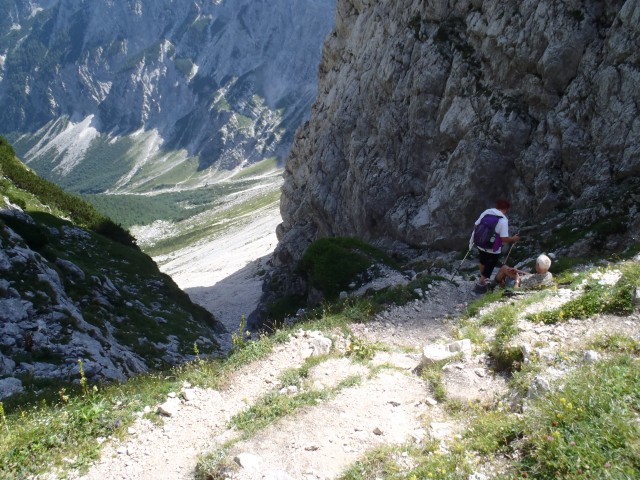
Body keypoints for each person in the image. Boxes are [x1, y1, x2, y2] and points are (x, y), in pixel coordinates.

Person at [470, 199, 520, 293]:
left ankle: (483, 279)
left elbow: (475, 225)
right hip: (493, 249)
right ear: (506, 209)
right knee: (489, 267)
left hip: (480, 244)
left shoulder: (487, 212)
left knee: (482, 261)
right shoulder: (503, 220)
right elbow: (504, 238)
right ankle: (480, 286)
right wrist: (513, 239)